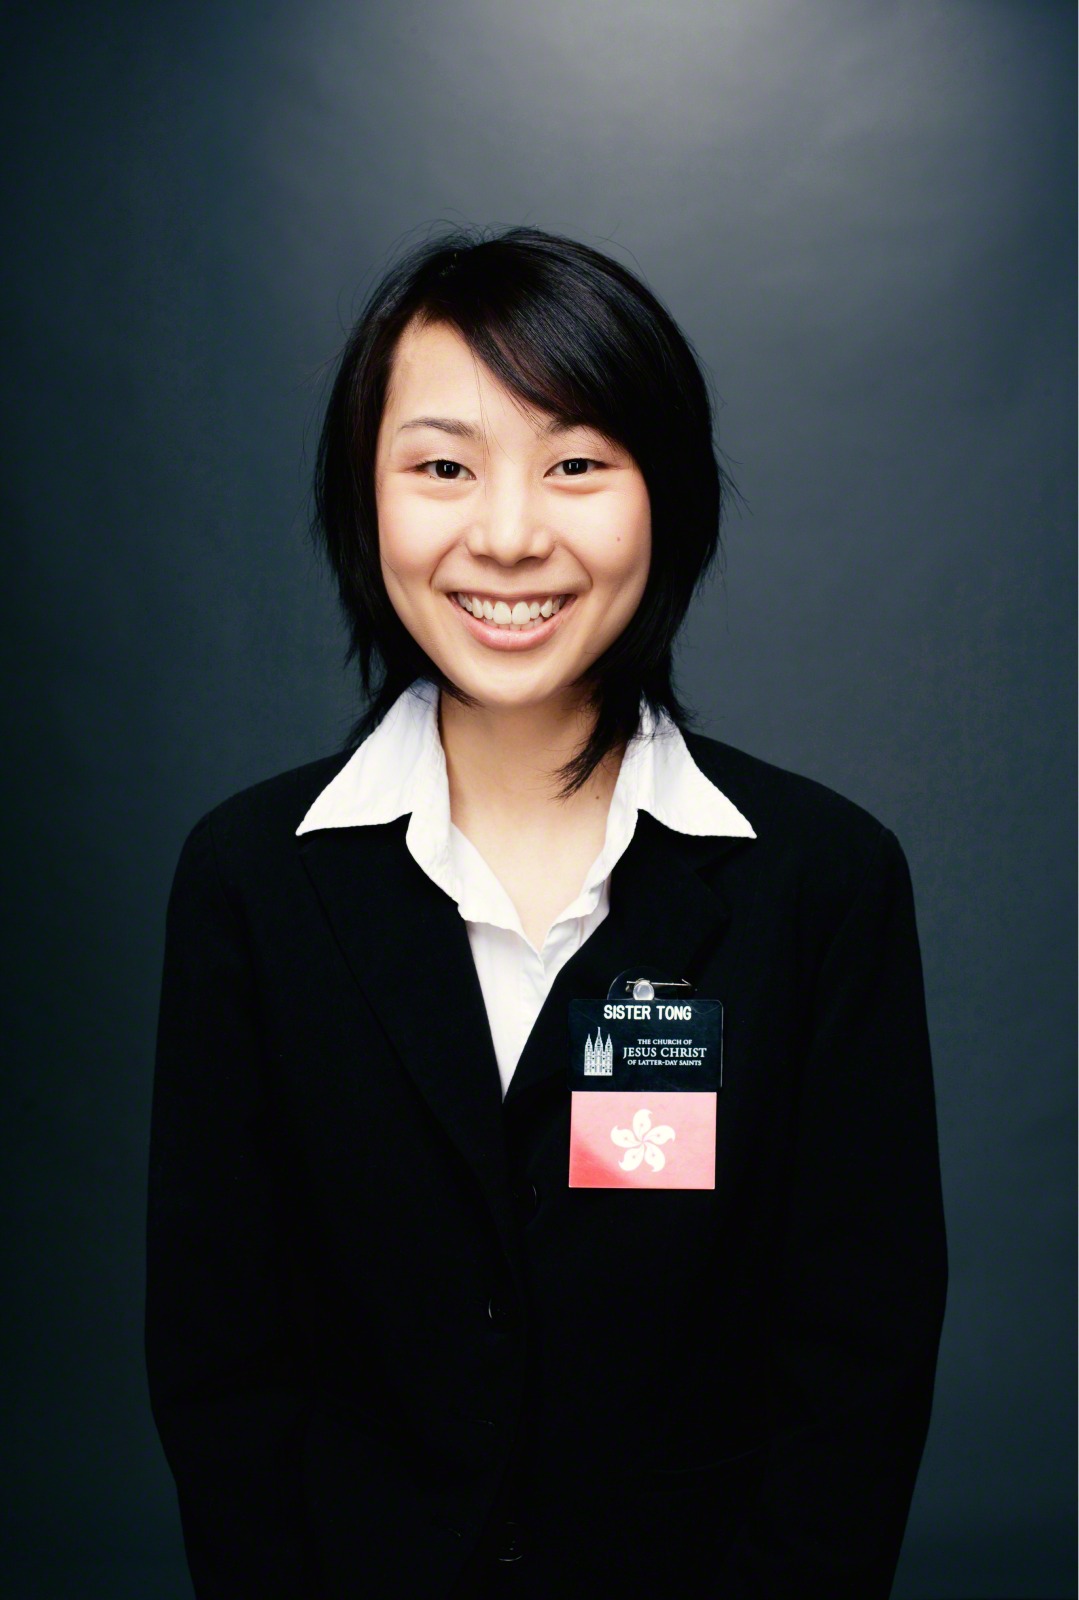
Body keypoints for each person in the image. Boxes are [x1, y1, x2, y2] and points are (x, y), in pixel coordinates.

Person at [145, 225, 948, 1599]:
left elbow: (856, 1366)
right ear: (364, 496)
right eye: (443, 467)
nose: (509, 536)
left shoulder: (822, 882)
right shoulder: (252, 881)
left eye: (576, 465)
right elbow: (221, 1366)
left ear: (666, 495)